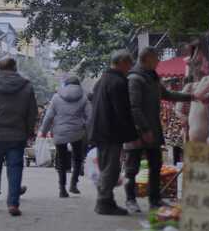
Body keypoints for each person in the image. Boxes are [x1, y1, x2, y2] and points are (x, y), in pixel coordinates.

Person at [124, 47, 199, 213]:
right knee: (132, 168)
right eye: (156, 58)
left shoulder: (152, 77)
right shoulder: (135, 79)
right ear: (147, 59)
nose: (158, 62)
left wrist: (192, 97)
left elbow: (167, 94)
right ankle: (130, 199)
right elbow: (134, 107)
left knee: (156, 165)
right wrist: (144, 129)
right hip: (136, 131)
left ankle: (155, 200)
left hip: (154, 129)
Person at [0, 58, 38, 216]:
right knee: (15, 168)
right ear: (15, 67)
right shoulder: (26, 86)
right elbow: (32, 113)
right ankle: (13, 203)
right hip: (17, 135)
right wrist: (29, 132)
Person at [88, 49, 138, 216]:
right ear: (122, 62)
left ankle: (106, 200)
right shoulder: (118, 82)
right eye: (129, 64)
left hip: (100, 129)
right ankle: (103, 202)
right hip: (110, 131)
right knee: (111, 168)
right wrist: (132, 135)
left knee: (106, 167)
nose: (130, 67)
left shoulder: (102, 80)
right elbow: (122, 111)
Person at [39, 75, 91, 197]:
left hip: (60, 132)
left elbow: (49, 116)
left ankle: (62, 189)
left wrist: (44, 131)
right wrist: (84, 126)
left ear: (65, 85)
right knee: (78, 159)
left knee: (62, 160)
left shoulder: (56, 97)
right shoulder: (83, 97)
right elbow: (91, 116)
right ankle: (73, 184)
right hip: (77, 132)